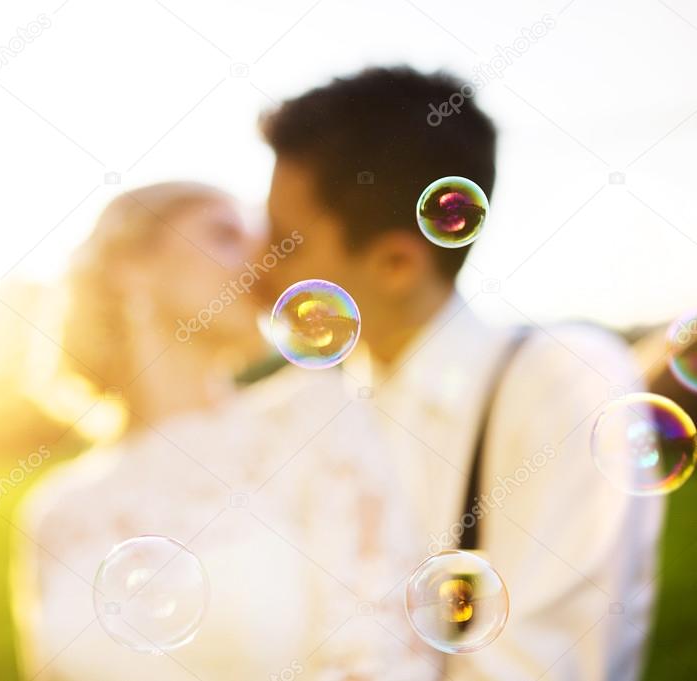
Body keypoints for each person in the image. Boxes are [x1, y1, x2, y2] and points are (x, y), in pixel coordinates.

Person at [256, 66, 665, 680]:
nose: (254, 266)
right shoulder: (292, 413)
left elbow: (539, 667)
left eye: (284, 242)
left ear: (396, 262)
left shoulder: (561, 382)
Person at [10, 181, 433, 680]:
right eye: (224, 234)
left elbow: (383, 659)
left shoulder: (316, 421)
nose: (259, 264)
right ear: (132, 266)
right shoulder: (55, 511)